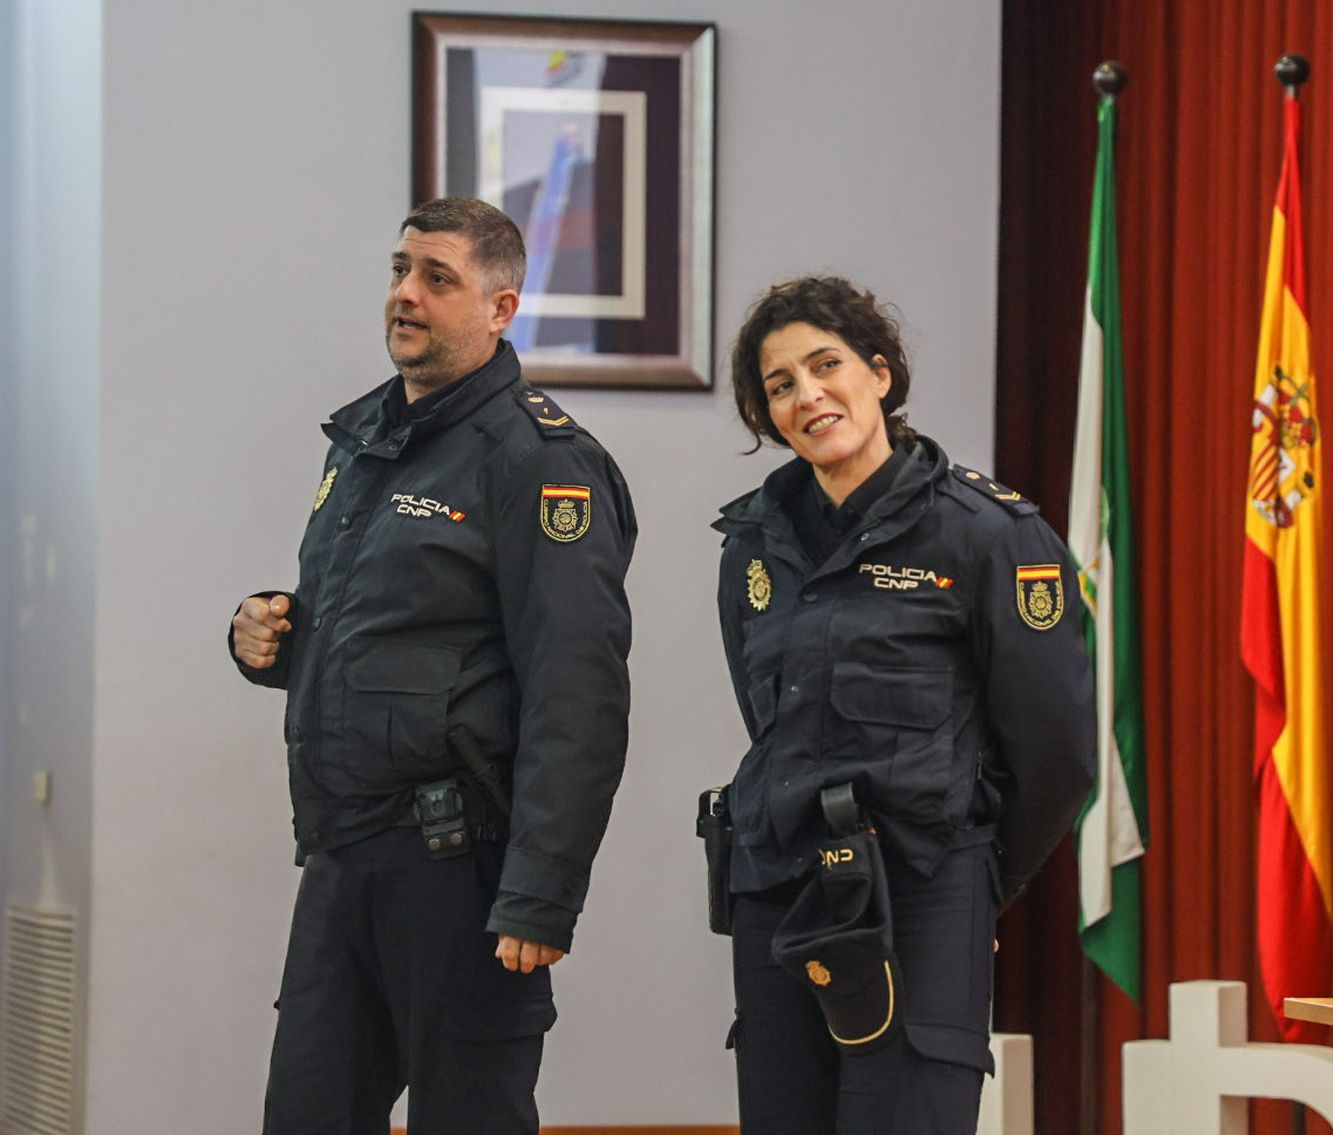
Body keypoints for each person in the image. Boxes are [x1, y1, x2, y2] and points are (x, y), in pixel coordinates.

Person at [230, 197, 634, 1134]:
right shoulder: (365, 439)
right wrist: (266, 635)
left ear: (500, 308)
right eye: (400, 269)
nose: (405, 293)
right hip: (343, 855)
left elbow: (578, 691)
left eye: (437, 278)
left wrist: (542, 891)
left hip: (460, 869)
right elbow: (377, 633)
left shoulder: (541, 462)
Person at [712, 277, 1096, 1134]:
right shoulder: (752, 543)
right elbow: (769, 717)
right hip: (778, 889)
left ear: (879, 374)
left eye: (827, 365)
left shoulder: (988, 534)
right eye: (781, 385)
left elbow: (1058, 753)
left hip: (921, 895)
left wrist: (978, 884)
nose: (809, 395)